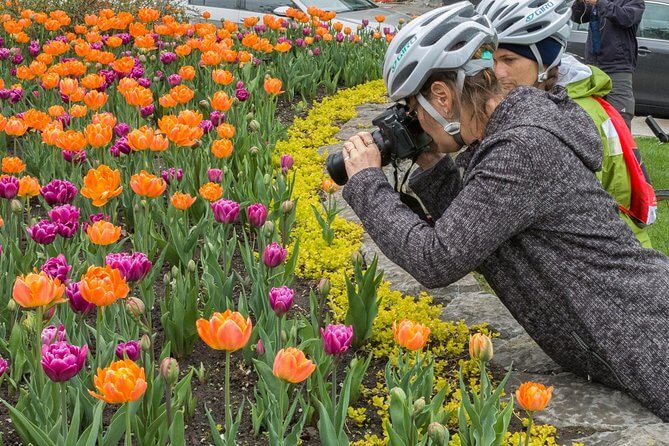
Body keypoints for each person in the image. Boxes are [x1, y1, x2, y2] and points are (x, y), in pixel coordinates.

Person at [341, 2, 669, 421]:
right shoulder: (509, 137)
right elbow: (484, 230)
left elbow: (437, 258)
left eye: (413, 110)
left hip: (650, 333)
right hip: (636, 332)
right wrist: (429, 163)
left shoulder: (521, 149)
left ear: (442, 96)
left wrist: (368, 185)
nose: (414, 122)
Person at [476, 0, 653, 248]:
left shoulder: (575, 116)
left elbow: (627, 17)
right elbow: (578, 16)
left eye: (509, 60)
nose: (497, 73)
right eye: (492, 60)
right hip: (596, 57)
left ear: (546, 63)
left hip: (615, 252)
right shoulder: (540, 106)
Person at [571, 0, 644, 129]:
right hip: (593, 66)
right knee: (592, 117)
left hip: (618, 67)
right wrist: (579, 3)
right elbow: (578, 18)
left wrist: (599, 2)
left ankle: (623, 148)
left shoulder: (634, 1)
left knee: (620, 118)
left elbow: (626, 18)